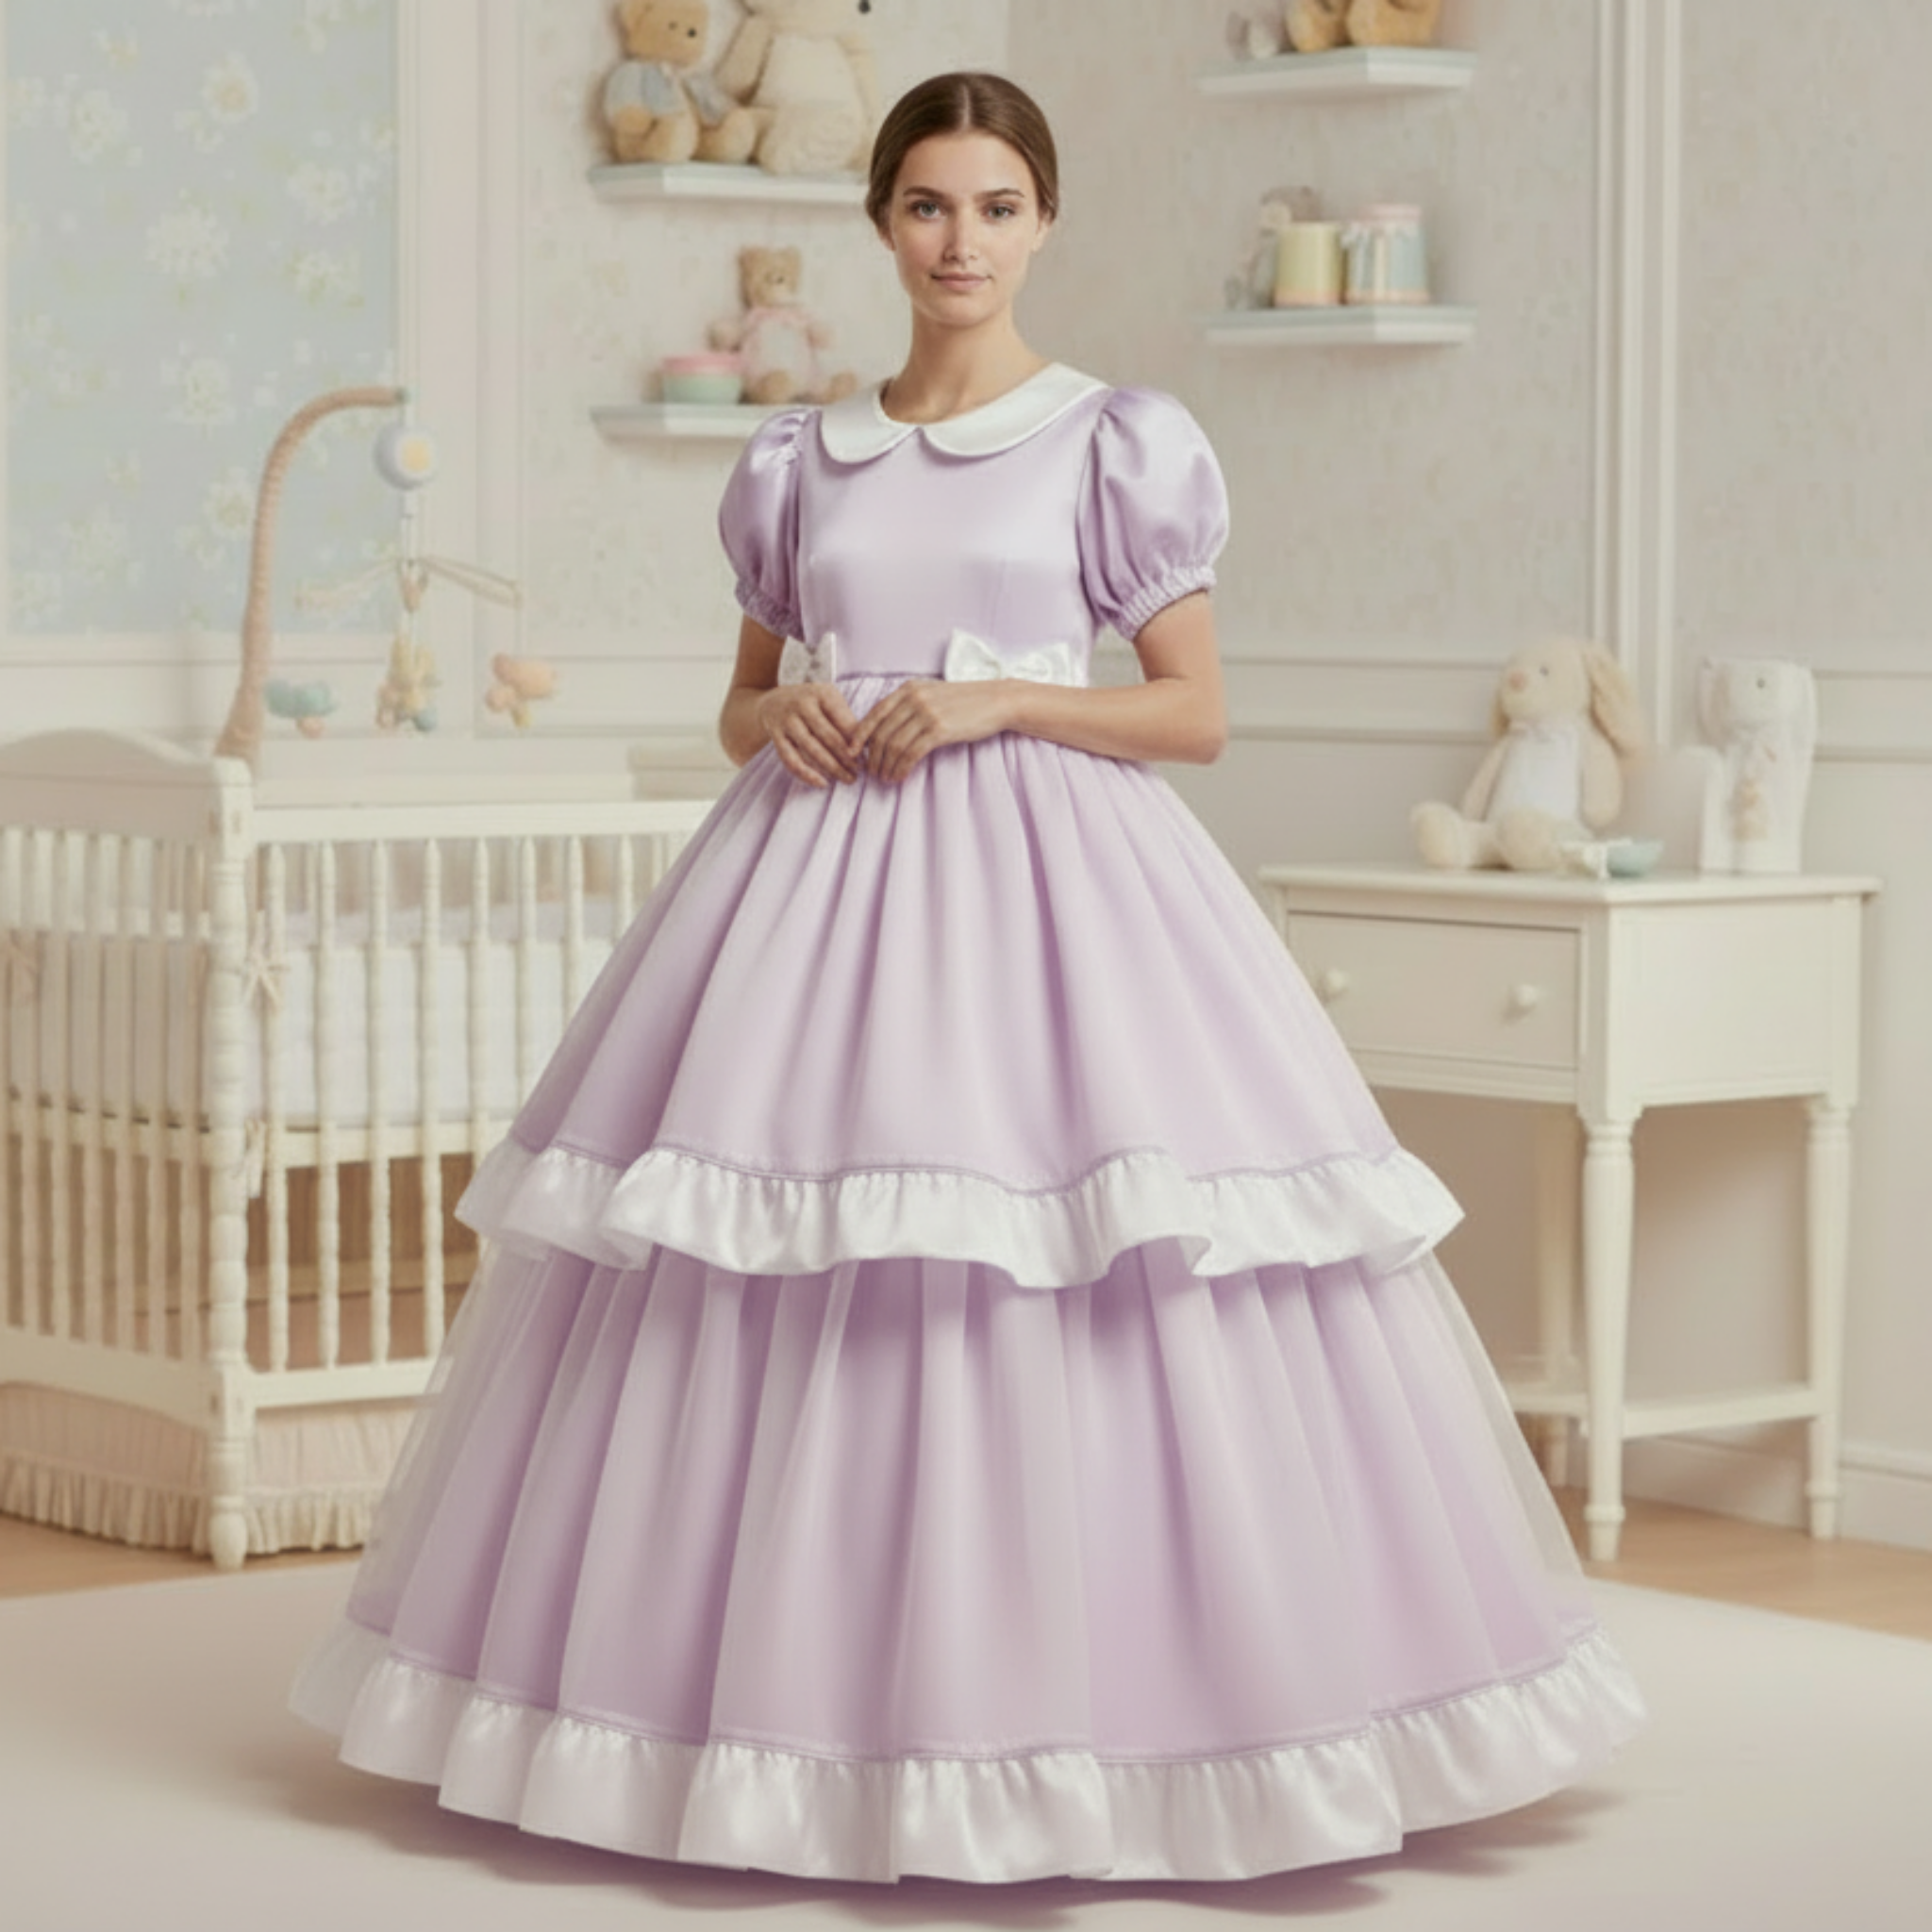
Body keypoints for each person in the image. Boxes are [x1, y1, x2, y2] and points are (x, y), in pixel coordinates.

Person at [292, 71, 1641, 1884]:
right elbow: (741, 696)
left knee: (1067, 1255)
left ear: (1045, 223)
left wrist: (1000, 691)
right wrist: (790, 714)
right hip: (812, 895)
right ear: (882, 224)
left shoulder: (1113, 441)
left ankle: (1138, 1713)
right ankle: (778, 1718)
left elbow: (1197, 713)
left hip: (1056, 896)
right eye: (929, 206)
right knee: (777, 1257)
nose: (962, 242)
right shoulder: (797, 460)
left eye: (997, 207)